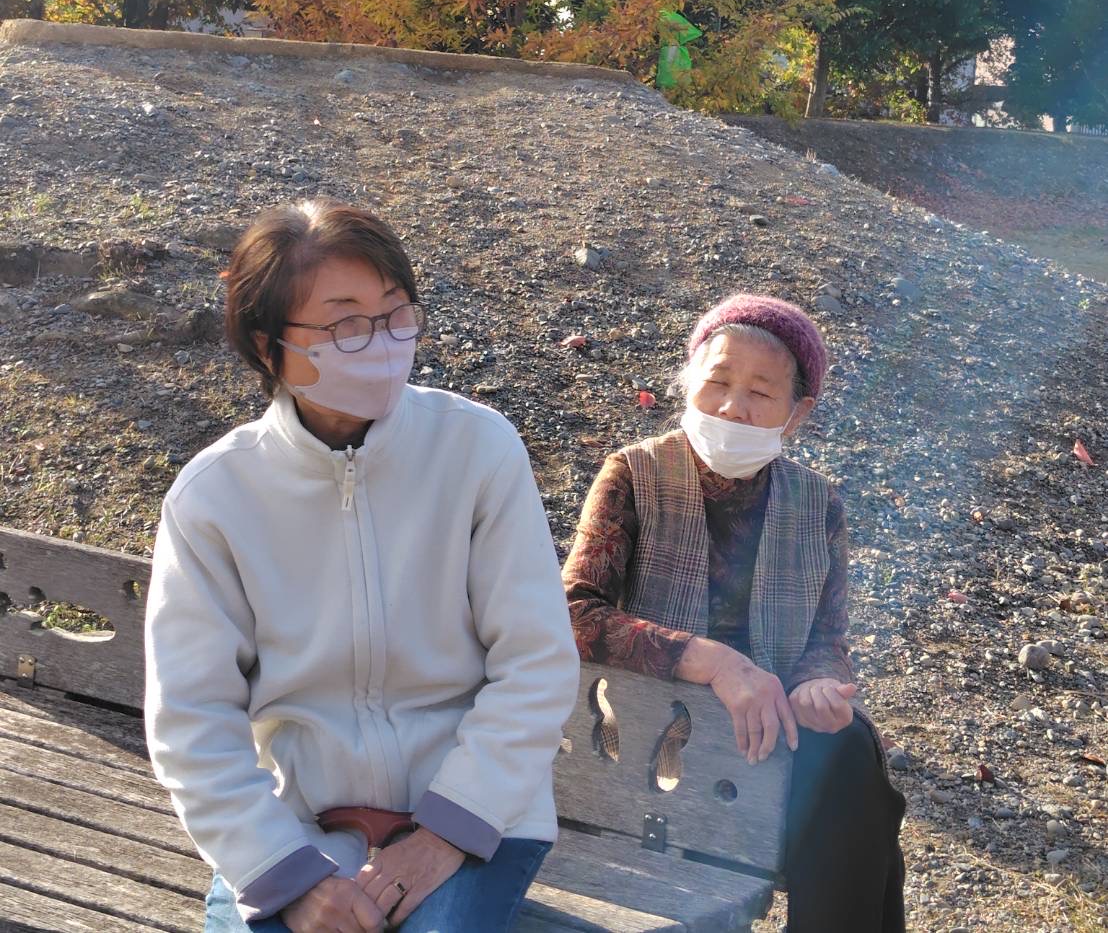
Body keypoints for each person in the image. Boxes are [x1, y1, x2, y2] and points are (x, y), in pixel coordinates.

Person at [144, 199, 580, 933]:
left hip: (476, 812)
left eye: (396, 313)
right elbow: (192, 717)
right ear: (268, 345)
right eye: (345, 325)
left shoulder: (478, 449)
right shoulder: (215, 496)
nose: (381, 343)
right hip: (297, 825)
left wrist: (444, 833)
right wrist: (290, 874)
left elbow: (536, 663)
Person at [562, 293, 905, 933]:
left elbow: (827, 640)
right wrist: (711, 661)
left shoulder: (818, 505)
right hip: (649, 725)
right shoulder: (634, 474)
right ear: (689, 380)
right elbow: (574, 614)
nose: (730, 407)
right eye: (717, 381)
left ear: (797, 414)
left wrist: (819, 684)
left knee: (850, 750)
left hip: (769, 728)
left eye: (760, 392)